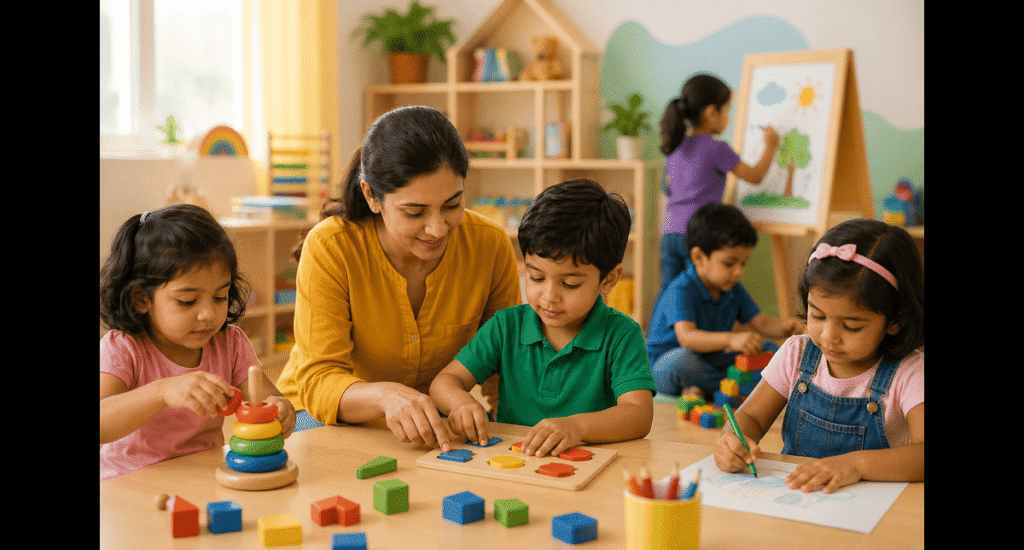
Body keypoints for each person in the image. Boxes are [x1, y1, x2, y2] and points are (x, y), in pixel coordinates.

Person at [275, 106, 521, 452]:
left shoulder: (489, 245)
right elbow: (319, 381)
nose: (437, 229)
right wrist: (385, 396)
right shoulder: (331, 247)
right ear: (372, 196)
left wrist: (511, 436)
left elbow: (506, 365)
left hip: (422, 424)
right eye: (414, 212)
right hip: (318, 416)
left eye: (452, 205)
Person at [430, 179, 656, 458]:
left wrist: (577, 427)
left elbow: (639, 414)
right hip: (514, 463)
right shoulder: (507, 326)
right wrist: (460, 403)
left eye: (570, 283)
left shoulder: (621, 335)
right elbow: (445, 381)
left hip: (586, 469)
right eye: (536, 277)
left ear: (609, 279)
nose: (549, 296)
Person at [713, 219, 924, 494]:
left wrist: (856, 465)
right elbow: (751, 417)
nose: (828, 336)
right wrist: (732, 439)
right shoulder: (797, 354)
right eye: (817, 315)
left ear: (895, 321)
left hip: (869, 515)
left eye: (852, 326)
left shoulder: (908, 373)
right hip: (798, 502)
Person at [100, 204, 296, 480]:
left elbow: (266, 401)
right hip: (130, 482)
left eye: (219, 297)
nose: (208, 314)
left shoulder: (230, 343)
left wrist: (281, 410)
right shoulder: (124, 347)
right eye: (187, 301)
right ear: (141, 299)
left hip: (203, 478)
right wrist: (162, 391)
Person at [646, 202, 804, 398]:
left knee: (770, 349)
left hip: (711, 360)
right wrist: (731, 339)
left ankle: (708, 388)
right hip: (667, 365)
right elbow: (687, 338)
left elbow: (762, 323)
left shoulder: (732, 289)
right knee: (682, 361)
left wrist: (785, 328)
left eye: (743, 263)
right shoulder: (681, 289)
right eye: (729, 263)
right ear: (698, 257)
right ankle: (733, 390)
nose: (738, 272)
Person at [656, 73, 781, 295]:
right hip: (697, 235)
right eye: (727, 111)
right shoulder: (717, 149)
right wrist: (770, 146)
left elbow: (668, 188)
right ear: (711, 112)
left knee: (669, 294)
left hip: (669, 232)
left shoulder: (675, 148)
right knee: (698, 295)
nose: (729, 118)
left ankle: (659, 332)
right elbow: (755, 176)